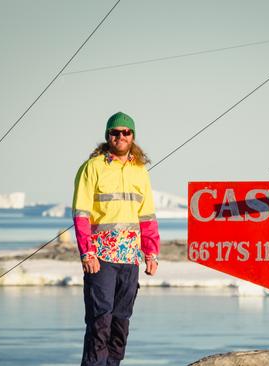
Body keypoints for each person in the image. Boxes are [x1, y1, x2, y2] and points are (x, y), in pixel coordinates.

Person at [72, 111, 160, 366]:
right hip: (101, 258)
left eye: (125, 132)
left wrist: (151, 253)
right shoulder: (93, 167)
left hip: (129, 258)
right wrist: (87, 253)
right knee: (100, 323)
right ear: (107, 135)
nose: (120, 136)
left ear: (132, 136)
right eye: (115, 132)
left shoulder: (139, 171)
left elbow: (147, 217)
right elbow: (81, 214)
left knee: (120, 326)